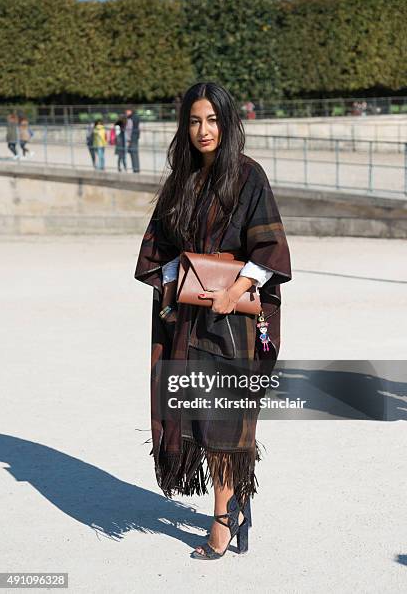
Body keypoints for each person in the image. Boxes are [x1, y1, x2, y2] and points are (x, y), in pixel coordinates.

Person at [134, 81, 291, 560]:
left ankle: (222, 519)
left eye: (213, 120)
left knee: (224, 423)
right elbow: (156, 250)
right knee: (198, 419)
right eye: (195, 120)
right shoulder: (179, 181)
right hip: (186, 319)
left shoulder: (248, 176)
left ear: (228, 122)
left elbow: (269, 249)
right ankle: (233, 501)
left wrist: (233, 290)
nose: (204, 130)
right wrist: (179, 277)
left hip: (233, 321)